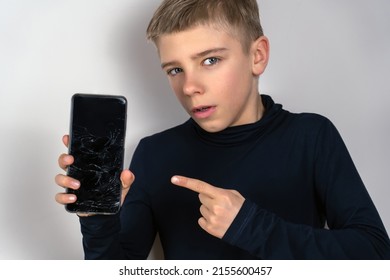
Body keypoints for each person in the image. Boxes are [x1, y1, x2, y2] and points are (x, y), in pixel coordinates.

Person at [55, 0, 390, 259]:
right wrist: (97, 218)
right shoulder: (155, 153)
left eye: (210, 60)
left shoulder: (311, 136)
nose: (189, 87)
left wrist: (253, 227)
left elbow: (376, 252)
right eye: (174, 69)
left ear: (257, 56)